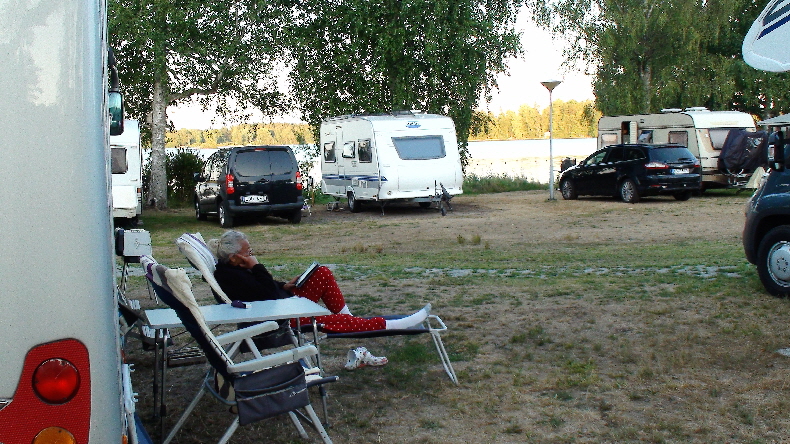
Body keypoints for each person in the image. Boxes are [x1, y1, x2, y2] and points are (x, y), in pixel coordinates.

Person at [211, 230, 432, 335]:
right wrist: (257, 266)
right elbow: (266, 294)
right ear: (234, 257)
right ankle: (395, 324)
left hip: (286, 303)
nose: (251, 255)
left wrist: (283, 285)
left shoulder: (235, 269)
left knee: (322, 273)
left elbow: (264, 289)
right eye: (248, 252)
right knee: (335, 322)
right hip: (284, 318)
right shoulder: (230, 276)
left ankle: (350, 320)